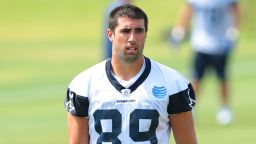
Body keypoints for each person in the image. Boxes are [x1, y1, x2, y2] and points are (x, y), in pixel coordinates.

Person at [65, 4, 197, 144]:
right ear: (110, 34)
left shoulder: (173, 83)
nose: (132, 38)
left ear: (146, 34)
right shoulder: (84, 85)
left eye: (139, 31)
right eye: (126, 31)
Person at [170, 0, 240, 125]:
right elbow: (187, 12)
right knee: (196, 78)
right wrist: (179, 32)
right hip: (200, 43)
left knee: (222, 77)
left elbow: (236, 11)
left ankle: (225, 108)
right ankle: (192, 107)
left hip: (221, 43)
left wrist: (233, 32)